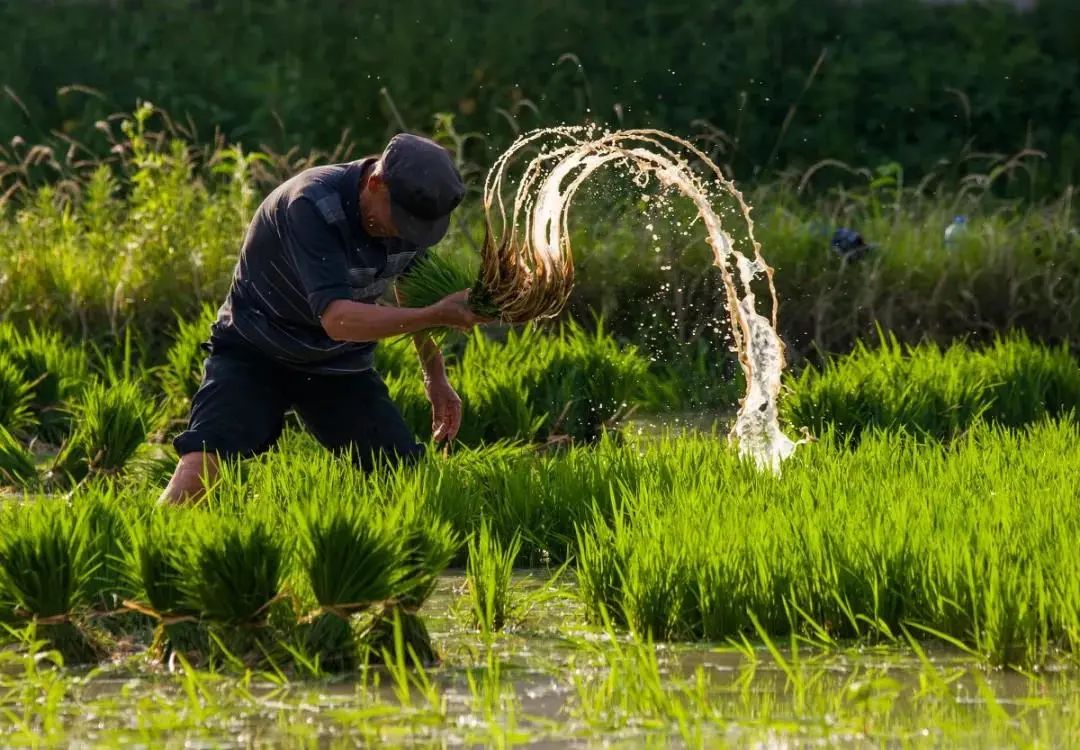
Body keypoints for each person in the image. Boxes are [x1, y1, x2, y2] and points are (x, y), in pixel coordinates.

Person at [159, 133, 490, 504]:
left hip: (338, 363)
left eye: (417, 227)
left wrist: (435, 377)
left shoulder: (407, 219)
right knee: (201, 465)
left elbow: (414, 292)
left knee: (407, 480)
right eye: (402, 220)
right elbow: (338, 318)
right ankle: (156, 534)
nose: (406, 233)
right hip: (255, 351)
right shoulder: (311, 204)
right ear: (376, 183)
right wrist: (436, 314)